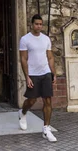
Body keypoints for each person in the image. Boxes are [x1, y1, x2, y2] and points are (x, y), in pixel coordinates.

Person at [18, 14, 57, 142]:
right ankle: (23, 113)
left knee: (48, 101)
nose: (39, 26)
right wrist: (27, 76)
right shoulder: (25, 39)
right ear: (32, 24)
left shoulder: (46, 39)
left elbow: (50, 57)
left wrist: (53, 73)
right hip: (33, 74)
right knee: (32, 100)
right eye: (36, 24)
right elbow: (23, 59)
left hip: (45, 73)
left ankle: (46, 129)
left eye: (41, 24)